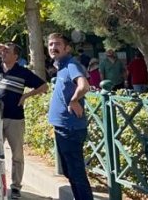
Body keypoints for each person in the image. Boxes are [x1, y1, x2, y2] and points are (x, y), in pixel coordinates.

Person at [0, 43, 49, 199]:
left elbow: (44, 86)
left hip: (14, 118)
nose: (3, 54)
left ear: (16, 56)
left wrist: (26, 96)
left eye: (7, 52)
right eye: (3, 51)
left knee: (17, 154)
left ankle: (15, 186)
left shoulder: (22, 72)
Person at [47, 33, 93, 200]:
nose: (53, 47)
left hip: (71, 128)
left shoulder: (71, 64)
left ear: (67, 48)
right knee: (70, 171)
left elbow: (84, 85)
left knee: (76, 173)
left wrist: (74, 100)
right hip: (63, 128)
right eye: (51, 44)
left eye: (57, 44)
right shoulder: (61, 66)